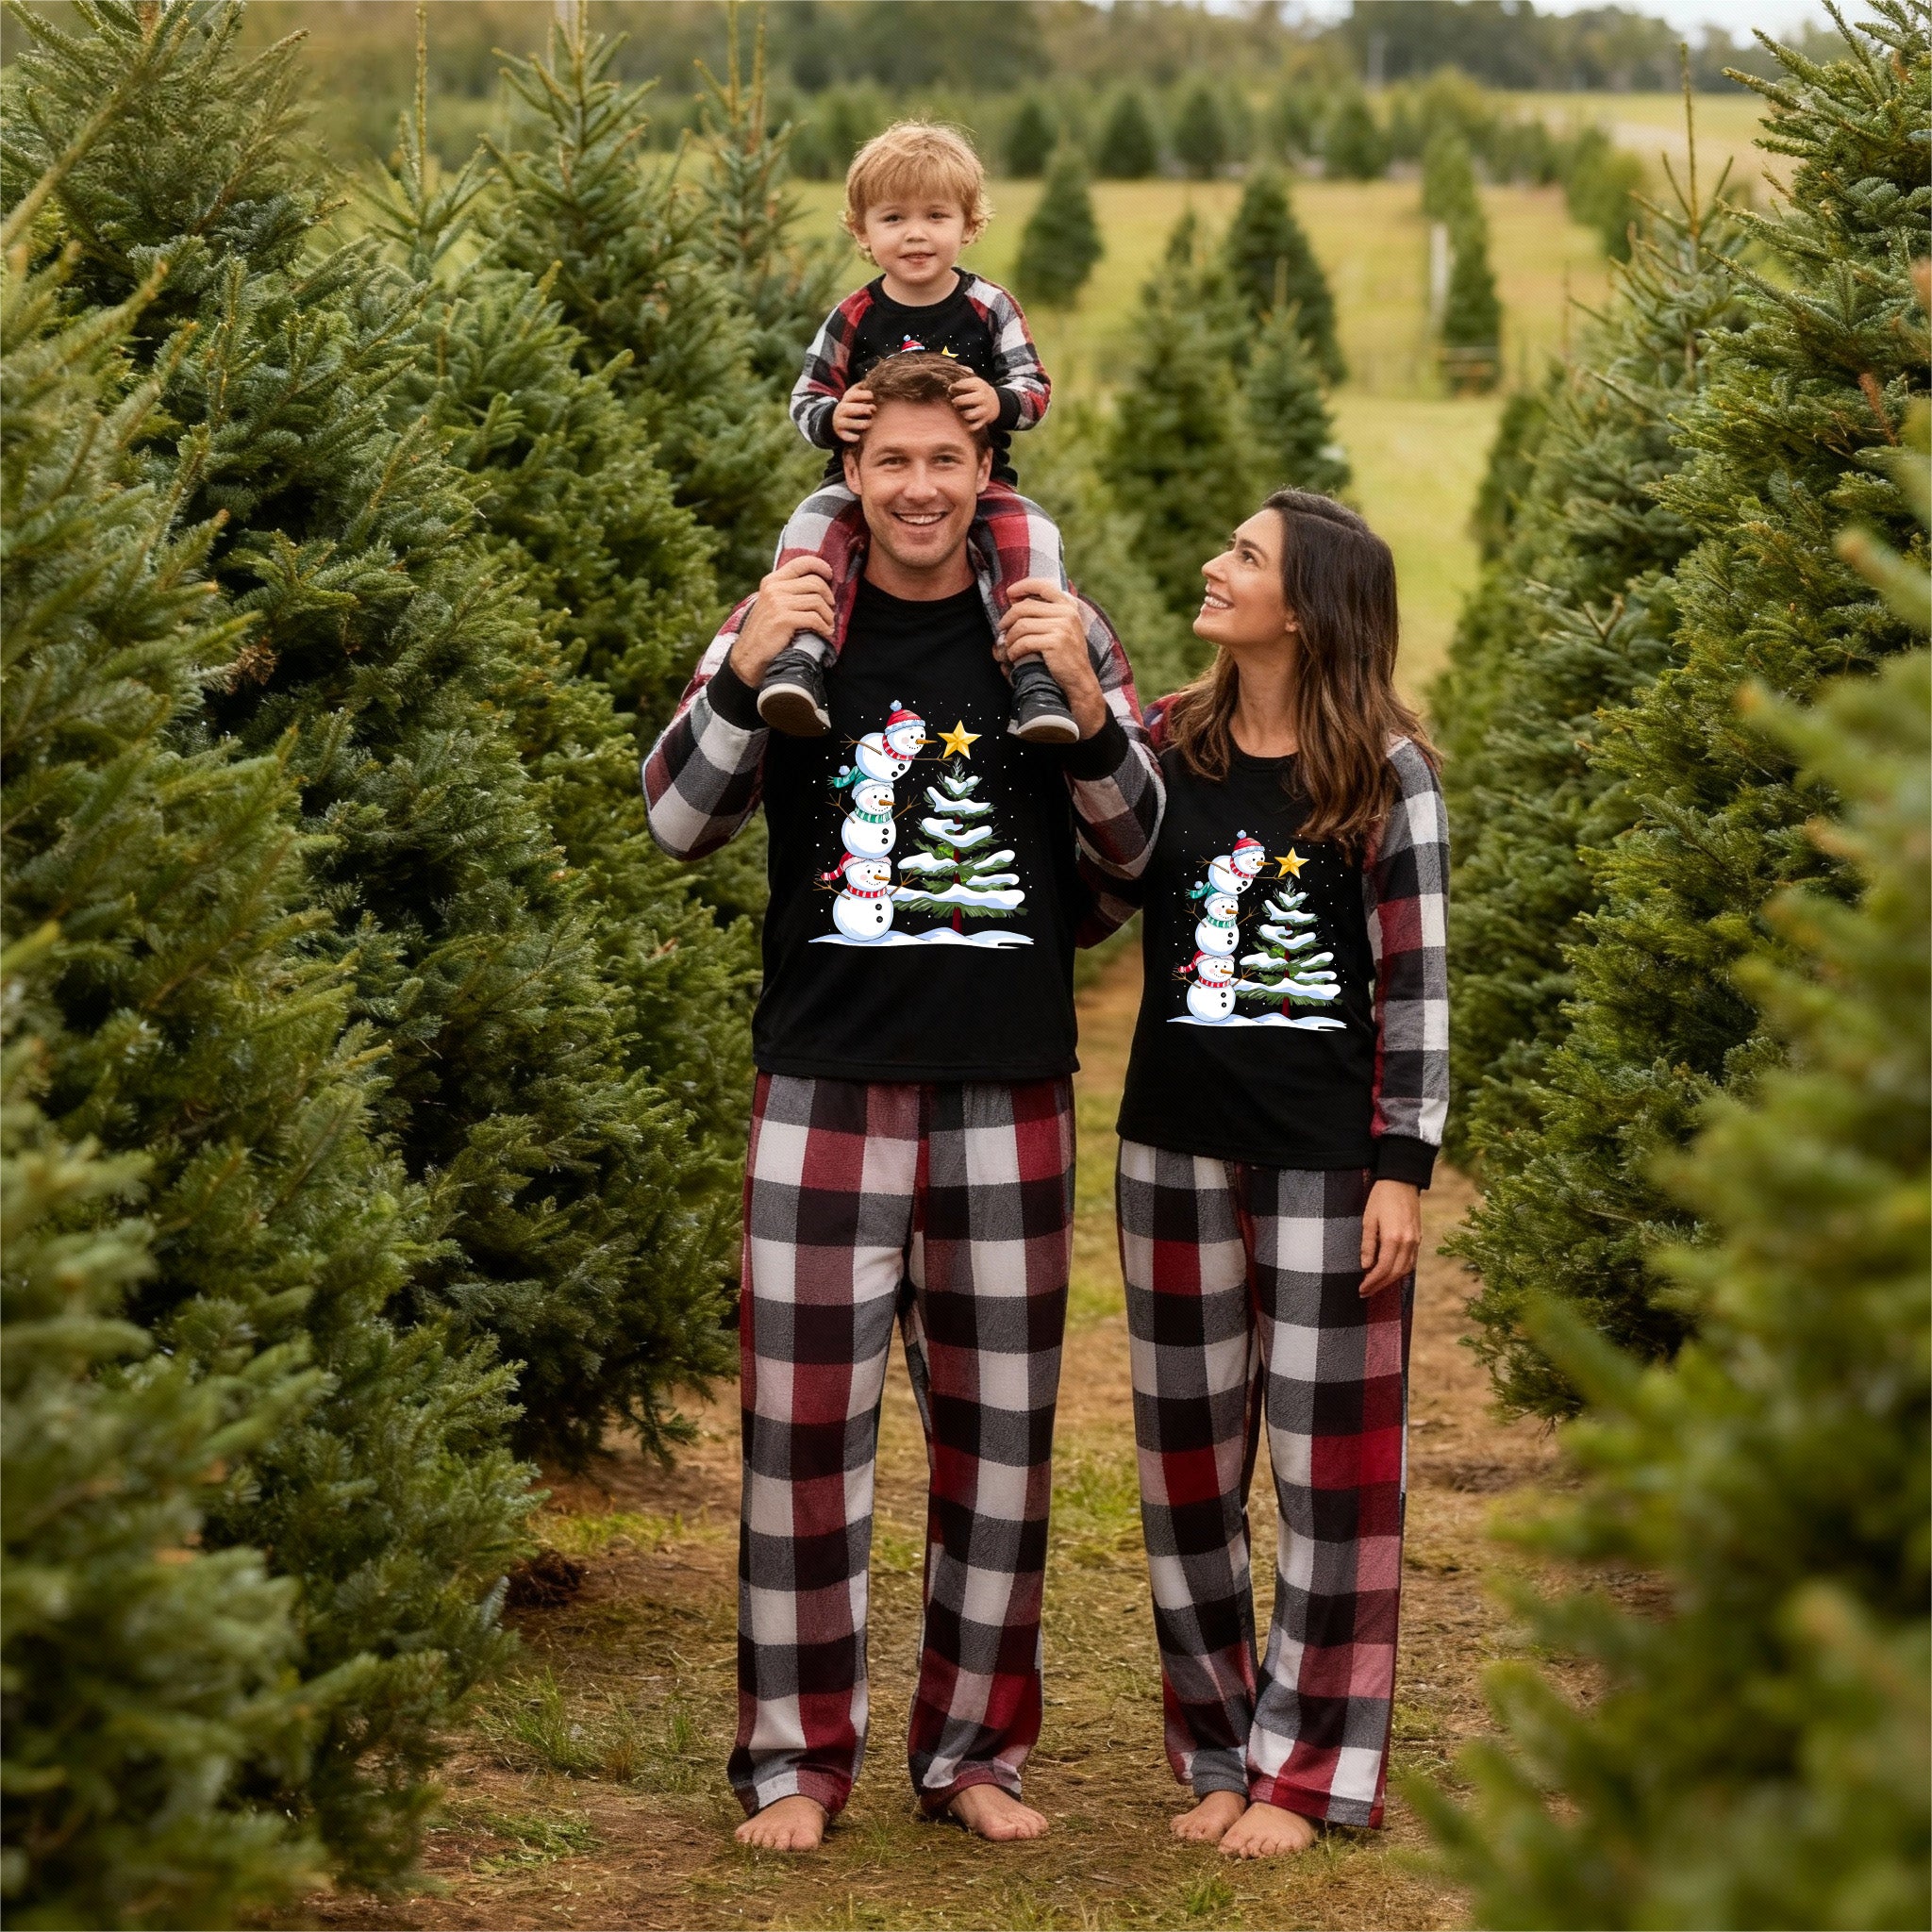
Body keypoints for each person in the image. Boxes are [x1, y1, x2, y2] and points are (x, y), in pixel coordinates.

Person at [642, 352, 1163, 1853]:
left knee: (1000, 1445)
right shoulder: (792, 614)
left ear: (985, 476)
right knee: (801, 1441)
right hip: (821, 1085)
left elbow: (1136, 861)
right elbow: (678, 819)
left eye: (950, 463)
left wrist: (1085, 697)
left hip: (1008, 1091)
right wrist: (744, 670)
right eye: (895, 466)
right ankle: (797, 1765)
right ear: (853, 482)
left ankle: (974, 1754)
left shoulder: (1053, 628)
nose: (923, 488)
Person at [1076, 491, 1447, 1859]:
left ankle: (1310, 1769)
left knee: (1330, 1477)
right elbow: (1094, 898)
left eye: (1245, 557)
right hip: (1170, 1150)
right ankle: (1220, 1750)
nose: (1214, 566)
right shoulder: (1171, 739)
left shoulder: (1388, 774)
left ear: (1306, 609)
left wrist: (1400, 1169)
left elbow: (1418, 985)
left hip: (1328, 1168)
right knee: (1187, 1470)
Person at [757, 120, 1076, 746]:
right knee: (808, 530)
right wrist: (833, 417)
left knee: (1031, 533)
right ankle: (799, 660)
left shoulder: (990, 308)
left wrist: (998, 400)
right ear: (862, 231)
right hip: (861, 486)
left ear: (968, 225)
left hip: (977, 485)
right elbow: (807, 395)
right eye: (893, 218)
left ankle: (1035, 677)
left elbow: (1035, 392)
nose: (916, 234)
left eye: (935, 216)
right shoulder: (855, 314)